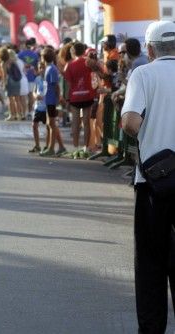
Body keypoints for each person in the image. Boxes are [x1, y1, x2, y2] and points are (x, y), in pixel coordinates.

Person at [121, 20, 175, 333]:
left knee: (151, 265)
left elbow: (129, 122)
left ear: (150, 49)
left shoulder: (143, 73)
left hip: (155, 183)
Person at [39, 47, 66, 157]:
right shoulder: (49, 68)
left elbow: (56, 86)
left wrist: (59, 97)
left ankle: (51, 148)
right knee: (51, 124)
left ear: (43, 58)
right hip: (48, 99)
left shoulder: (52, 69)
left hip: (51, 100)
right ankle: (61, 147)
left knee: (51, 124)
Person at [28, 61, 49, 153]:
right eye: (40, 67)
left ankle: (47, 146)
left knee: (48, 127)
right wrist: (35, 95)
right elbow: (34, 91)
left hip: (47, 106)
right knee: (34, 125)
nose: (41, 70)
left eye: (43, 67)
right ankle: (37, 145)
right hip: (38, 106)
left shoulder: (49, 79)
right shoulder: (37, 78)